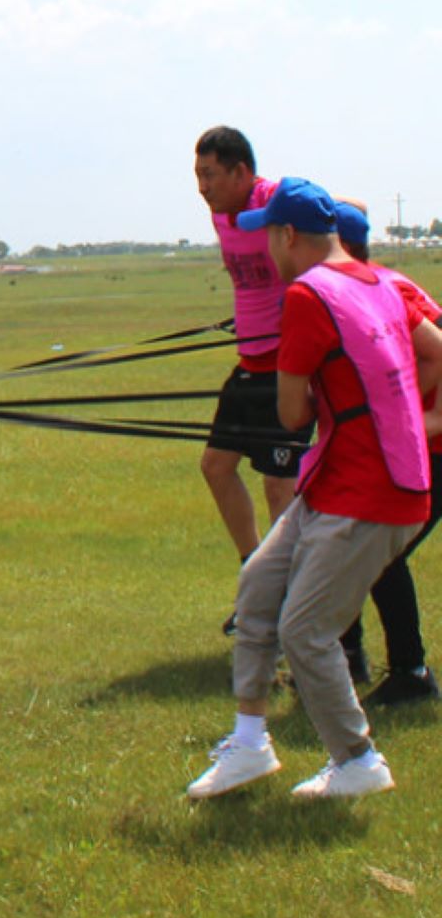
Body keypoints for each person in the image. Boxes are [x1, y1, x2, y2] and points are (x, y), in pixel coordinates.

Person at [187, 180, 442, 801]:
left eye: (268, 234)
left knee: (305, 631)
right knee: (259, 585)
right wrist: (395, 401)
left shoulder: (305, 296)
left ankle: (357, 761)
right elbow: (434, 354)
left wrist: (371, 407)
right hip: (340, 482)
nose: (267, 248)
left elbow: (293, 412)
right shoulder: (382, 283)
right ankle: (250, 744)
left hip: (366, 492)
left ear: (287, 236)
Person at [194, 127, 313, 634]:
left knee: (279, 488)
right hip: (251, 359)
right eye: (197, 176)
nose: (202, 187)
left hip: (289, 366)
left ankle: (285, 607)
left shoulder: (276, 201)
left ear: (242, 171)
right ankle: (255, 578)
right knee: (216, 466)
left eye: (210, 174)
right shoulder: (222, 214)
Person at [332, 203, 442, 705]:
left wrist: (407, 424)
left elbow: (437, 349)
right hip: (420, 447)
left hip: (432, 451)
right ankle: (357, 659)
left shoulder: (380, 290)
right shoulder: (367, 286)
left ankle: (410, 673)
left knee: (376, 550)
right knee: (363, 547)